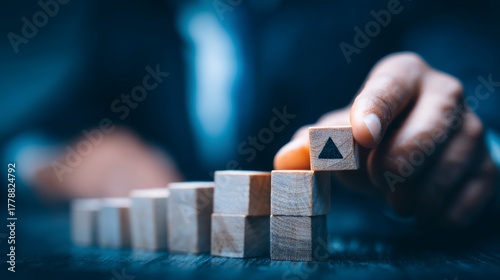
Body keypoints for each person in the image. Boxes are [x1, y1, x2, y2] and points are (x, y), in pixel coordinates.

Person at [2, 0, 499, 233]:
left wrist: (469, 141)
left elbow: (469, 88)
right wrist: (58, 160)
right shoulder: (128, 19)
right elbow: (38, 130)